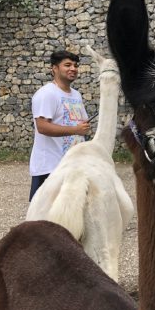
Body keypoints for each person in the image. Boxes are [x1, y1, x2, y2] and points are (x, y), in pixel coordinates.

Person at [29, 50, 90, 201]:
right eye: (67, 65)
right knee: (45, 211)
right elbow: (42, 127)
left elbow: (82, 123)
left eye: (75, 65)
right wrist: (75, 130)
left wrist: (83, 129)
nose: (73, 68)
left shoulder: (76, 95)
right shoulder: (47, 94)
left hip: (74, 166)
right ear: (54, 68)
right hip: (50, 168)